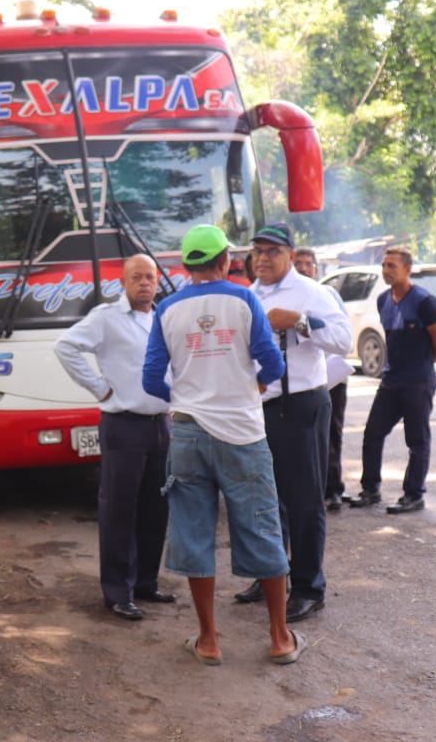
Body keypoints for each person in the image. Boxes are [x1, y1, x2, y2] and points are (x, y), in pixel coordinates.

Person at [142, 224, 303, 666]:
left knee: (194, 534)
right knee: (262, 528)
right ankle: (280, 637)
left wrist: (186, 398)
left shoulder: (167, 308)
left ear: (187, 265)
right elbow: (271, 361)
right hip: (242, 433)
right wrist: (249, 389)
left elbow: (151, 378)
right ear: (226, 259)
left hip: (189, 433)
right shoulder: (243, 298)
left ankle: (209, 640)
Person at [235, 225, 350, 623]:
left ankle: (307, 587)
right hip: (260, 407)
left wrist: (300, 321)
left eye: (271, 251)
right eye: (257, 251)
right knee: (266, 500)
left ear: (289, 254)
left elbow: (343, 340)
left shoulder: (311, 292)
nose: (263, 258)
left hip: (300, 405)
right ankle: (270, 574)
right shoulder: (250, 293)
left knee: (303, 501)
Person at [55, 254, 172, 621]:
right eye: (136, 277)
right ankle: (118, 591)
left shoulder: (164, 317)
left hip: (160, 424)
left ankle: (146, 583)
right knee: (120, 509)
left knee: (157, 507)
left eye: (149, 277)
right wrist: (99, 388)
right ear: (123, 283)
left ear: (157, 282)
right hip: (123, 424)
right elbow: (66, 347)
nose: (143, 283)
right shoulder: (107, 318)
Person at [346, 246, 436, 514]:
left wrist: (422, 367)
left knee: (417, 440)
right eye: (384, 265)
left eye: (392, 266)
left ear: (407, 269)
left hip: (417, 382)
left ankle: (413, 494)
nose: (386, 270)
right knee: (373, 433)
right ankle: (370, 489)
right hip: (391, 381)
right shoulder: (383, 300)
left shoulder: (425, 301)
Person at [294, 247, 352, 511]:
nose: (304, 268)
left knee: (332, 433)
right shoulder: (286, 296)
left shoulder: (328, 295)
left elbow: (343, 337)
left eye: (309, 264)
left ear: (317, 270)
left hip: (332, 375)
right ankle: (307, 490)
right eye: (300, 263)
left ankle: (333, 488)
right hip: (299, 383)